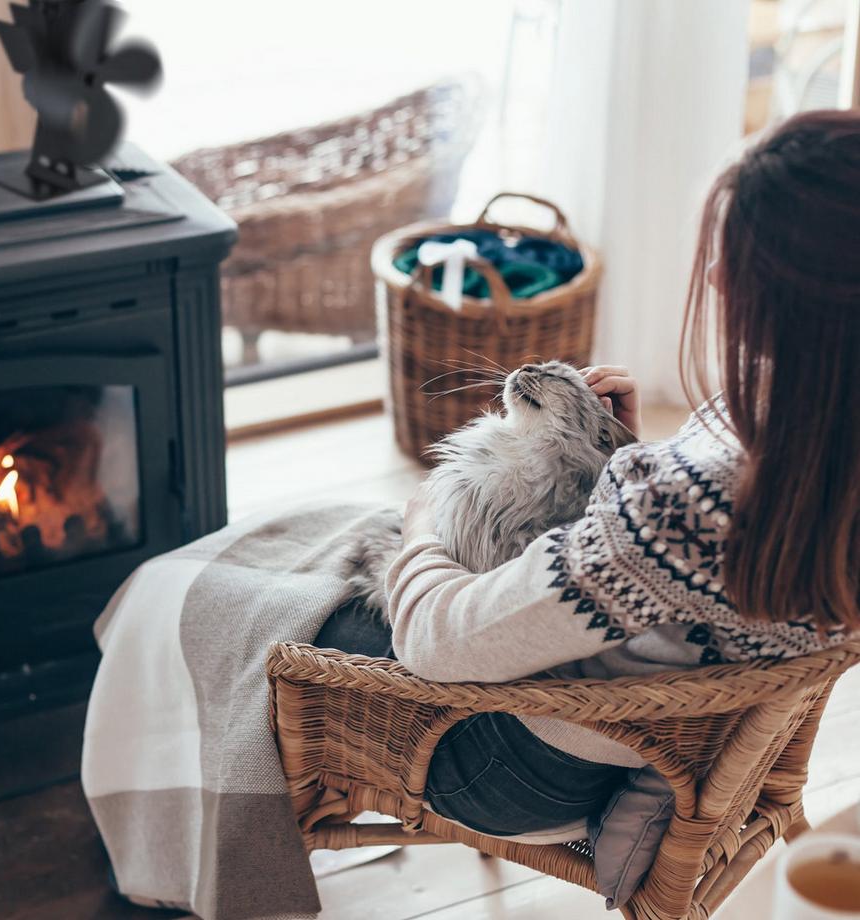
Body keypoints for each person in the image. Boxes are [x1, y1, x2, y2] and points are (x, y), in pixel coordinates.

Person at [314, 110, 860, 836]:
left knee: (273, 618)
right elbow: (697, 579)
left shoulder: (687, 506)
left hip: (526, 769)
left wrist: (421, 530)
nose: (717, 277)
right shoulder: (811, 427)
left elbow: (435, 643)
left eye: (727, 257)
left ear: (776, 294)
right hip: (689, 750)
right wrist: (629, 463)